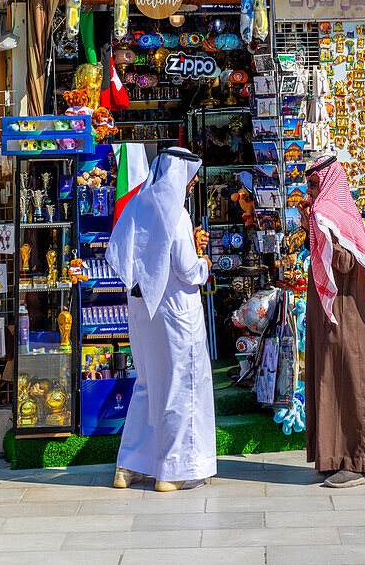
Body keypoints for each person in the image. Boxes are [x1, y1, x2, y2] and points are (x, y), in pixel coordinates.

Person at [106, 146, 216, 491]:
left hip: (142, 312)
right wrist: (205, 265)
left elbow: (118, 255)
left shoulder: (137, 204)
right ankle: (173, 471)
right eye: (192, 174)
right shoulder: (177, 214)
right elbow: (186, 269)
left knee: (148, 385)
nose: (195, 181)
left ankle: (130, 466)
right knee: (181, 387)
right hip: (176, 314)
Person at [299, 154, 365, 488]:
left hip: (345, 312)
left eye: (313, 186)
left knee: (350, 378)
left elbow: (347, 261)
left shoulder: (336, 213)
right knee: (327, 377)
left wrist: (320, 227)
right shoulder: (323, 214)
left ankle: (359, 461)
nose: (308, 193)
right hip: (328, 312)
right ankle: (333, 457)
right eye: (307, 186)